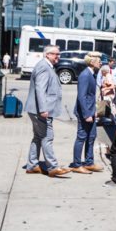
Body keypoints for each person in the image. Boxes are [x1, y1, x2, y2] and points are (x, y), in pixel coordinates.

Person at [24, 45, 69, 177]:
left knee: (38, 137)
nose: (58, 57)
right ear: (47, 54)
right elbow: (40, 89)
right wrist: (43, 109)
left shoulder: (46, 66)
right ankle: (53, 167)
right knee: (47, 137)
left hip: (37, 110)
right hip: (41, 111)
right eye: (56, 54)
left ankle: (32, 165)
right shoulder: (44, 66)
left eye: (58, 54)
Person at [70, 53, 105, 174]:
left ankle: (89, 162)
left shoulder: (92, 73)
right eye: (99, 61)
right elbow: (81, 97)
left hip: (91, 111)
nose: (101, 63)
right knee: (81, 137)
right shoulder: (85, 75)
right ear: (91, 62)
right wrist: (86, 114)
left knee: (91, 137)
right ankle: (77, 164)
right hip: (85, 113)